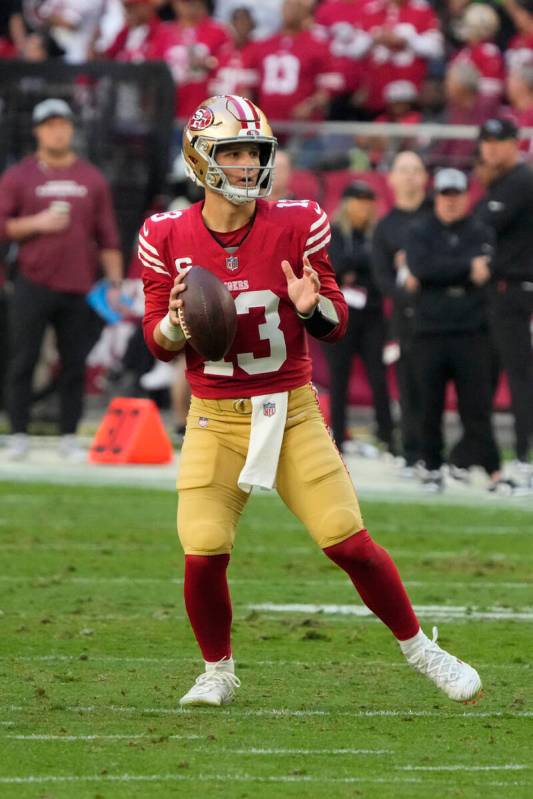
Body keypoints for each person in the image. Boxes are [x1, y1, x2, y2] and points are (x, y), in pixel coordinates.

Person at [140, 93, 481, 707]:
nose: (247, 165)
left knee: (345, 537)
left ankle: (422, 649)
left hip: (288, 408)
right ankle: (217, 671)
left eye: (254, 152)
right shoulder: (167, 234)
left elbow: (336, 322)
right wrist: (173, 322)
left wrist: (309, 305)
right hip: (214, 415)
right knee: (203, 549)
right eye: (233, 152)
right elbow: (157, 343)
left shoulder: (297, 223)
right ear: (199, 159)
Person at [0, 98, 123, 460]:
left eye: (62, 123)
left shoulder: (91, 178)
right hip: (32, 281)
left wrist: (115, 284)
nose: (57, 130)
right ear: (38, 130)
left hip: (79, 285)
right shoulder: (18, 176)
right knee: (22, 359)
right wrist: (35, 224)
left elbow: (108, 237)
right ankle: (18, 431)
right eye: (49, 124)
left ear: (71, 128)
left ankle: (69, 433)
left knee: (74, 362)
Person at [404, 168, 515, 493]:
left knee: (477, 407)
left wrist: (438, 274)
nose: (450, 201)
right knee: (429, 405)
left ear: (466, 196)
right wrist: (465, 269)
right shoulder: (420, 229)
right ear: (436, 196)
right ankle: (432, 467)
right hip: (429, 331)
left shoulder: (480, 230)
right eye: (445, 194)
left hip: (471, 331)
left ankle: (492, 470)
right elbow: (422, 268)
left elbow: (485, 269)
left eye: (456, 194)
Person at [475, 117, 533, 468]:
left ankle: (524, 456)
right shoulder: (501, 183)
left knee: (519, 374)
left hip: (516, 291)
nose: (491, 148)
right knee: (491, 374)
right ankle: (487, 454)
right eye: (486, 141)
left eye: (499, 141)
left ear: (516, 143)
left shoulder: (521, 181)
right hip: (501, 292)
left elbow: (483, 224)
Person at [325, 180, 395, 454]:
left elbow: (379, 272)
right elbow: (335, 265)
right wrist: (358, 265)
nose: (365, 208)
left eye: (369, 202)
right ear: (347, 204)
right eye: (359, 201)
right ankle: (338, 437)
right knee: (338, 378)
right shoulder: (334, 232)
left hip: (372, 316)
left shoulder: (377, 234)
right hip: (340, 315)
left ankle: (388, 436)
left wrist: (355, 268)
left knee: (379, 377)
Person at [371, 151, 430, 475]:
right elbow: (382, 278)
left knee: (437, 383)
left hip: (443, 314)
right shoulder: (386, 227)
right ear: (391, 178)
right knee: (408, 385)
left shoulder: (439, 213)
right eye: (403, 170)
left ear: (425, 177)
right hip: (405, 317)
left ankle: (436, 452)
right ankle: (410, 451)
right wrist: (407, 289)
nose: (409, 176)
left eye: (416, 169)